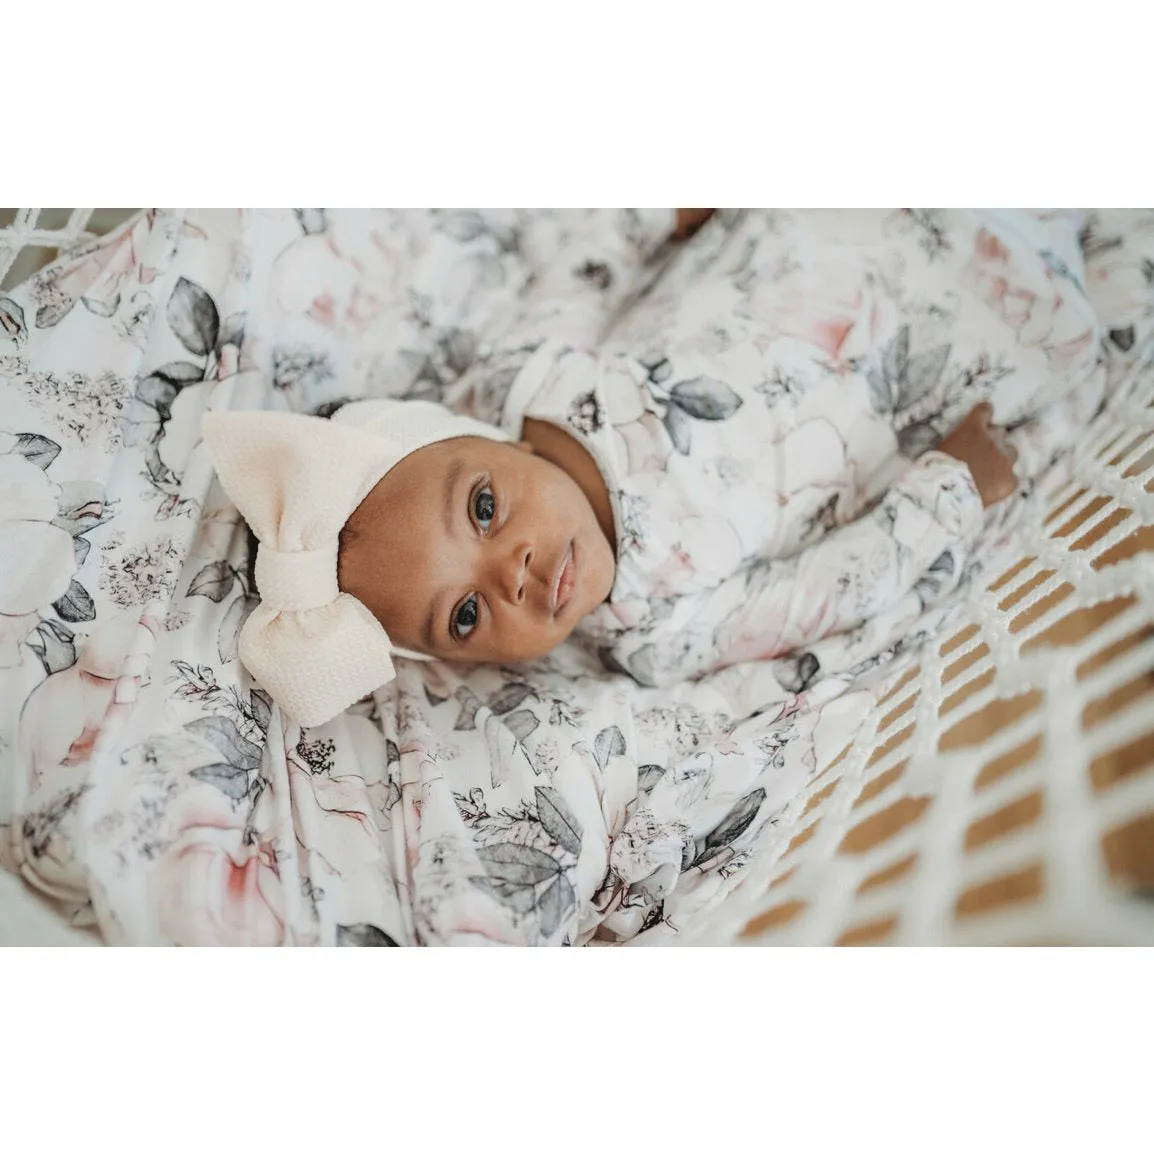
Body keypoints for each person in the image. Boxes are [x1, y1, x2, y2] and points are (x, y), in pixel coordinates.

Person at [205, 208, 1097, 727]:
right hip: (965, 332)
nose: (509, 571)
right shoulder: (659, 628)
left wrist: (662, 212)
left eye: (482, 508)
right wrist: (949, 485)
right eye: (468, 614)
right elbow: (830, 589)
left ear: (479, 435)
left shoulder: (531, 380)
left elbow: (588, 265)